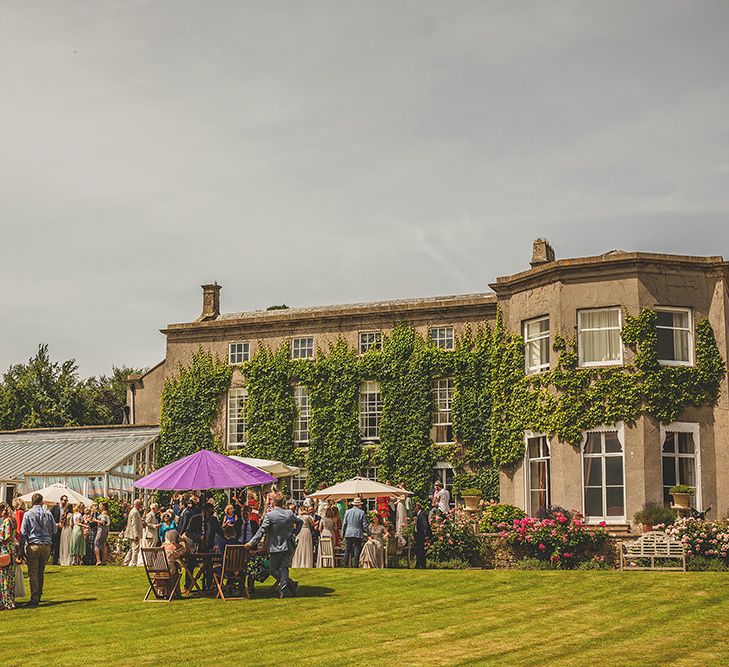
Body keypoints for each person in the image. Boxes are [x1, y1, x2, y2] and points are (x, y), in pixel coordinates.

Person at [244, 496, 302, 598]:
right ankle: (285, 588)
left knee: (272, 569)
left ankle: (289, 584)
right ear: (282, 504)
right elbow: (300, 522)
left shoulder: (270, 515)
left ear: (273, 504)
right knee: (284, 568)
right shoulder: (289, 513)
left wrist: (251, 543)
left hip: (276, 545)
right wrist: (294, 534)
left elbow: (261, 531)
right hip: (289, 544)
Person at [20, 493, 57, 608]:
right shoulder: (48, 513)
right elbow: (55, 530)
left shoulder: (28, 514)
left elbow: (23, 532)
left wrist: (21, 549)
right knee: (41, 571)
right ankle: (39, 593)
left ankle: (34, 597)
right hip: (46, 545)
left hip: (34, 545)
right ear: (42, 502)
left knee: (33, 573)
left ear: (32, 502)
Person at [342, 497, 369, 568]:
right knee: (357, 550)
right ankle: (355, 565)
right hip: (357, 533)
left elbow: (344, 524)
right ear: (359, 505)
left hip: (348, 533)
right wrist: (369, 532)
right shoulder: (362, 512)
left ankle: (345, 565)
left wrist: (343, 533)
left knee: (347, 550)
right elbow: (365, 525)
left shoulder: (347, 512)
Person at [0, 503, 18, 610]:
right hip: (11, 550)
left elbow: (5, 537)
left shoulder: (7, 521)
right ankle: (9, 600)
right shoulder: (13, 520)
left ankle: (6, 602)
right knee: (10, 578)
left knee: (4, 577)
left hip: (5, 550)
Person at [123, 499, 144, 566]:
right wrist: (136, 535)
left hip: (131, 533)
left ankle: (126, 562)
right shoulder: (134, 512)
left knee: (131, 549)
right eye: (141, 504)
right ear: (138, 504)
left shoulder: (134, 511)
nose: (141, 506)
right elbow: (134, 524)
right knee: (135, 549)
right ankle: (133, 563)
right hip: (133, 534)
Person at [413, 502, 432, 569]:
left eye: (414, 507)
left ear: (417, 507)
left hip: (421, 535)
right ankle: (418, 564)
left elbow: (425, 525)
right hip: (417, 535)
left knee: (420, 550)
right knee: (418, 550)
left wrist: (426, 535)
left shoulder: (422, 514)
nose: (413, 509)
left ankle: (422, 565)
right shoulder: (418, 515)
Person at [58, 497, 73, 566]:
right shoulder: (71, 515)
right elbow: (71, 524)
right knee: (68, 545)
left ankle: (62, 560)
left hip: (63, 530)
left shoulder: (63, 515)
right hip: (69, 529)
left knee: (63, 545)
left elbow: (61, 524)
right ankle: (68, 560)